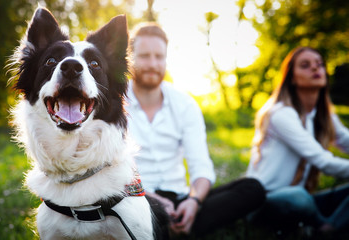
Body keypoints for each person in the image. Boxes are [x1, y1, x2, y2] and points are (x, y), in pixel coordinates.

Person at [125, 22, 266, 237]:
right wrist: (152, 198)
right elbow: (112, 173)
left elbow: (201, 168)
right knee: (131, 212)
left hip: (180, 199)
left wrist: (194, 201)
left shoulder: (185, 105)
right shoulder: (113, 104)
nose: (153, 63)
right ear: (130, 57)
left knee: (252, 188)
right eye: (144, 56)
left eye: (159, 56)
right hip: (135, 198)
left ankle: (180, 222)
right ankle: (167, 228)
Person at [246, 46, 349, 233]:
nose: (316, 69)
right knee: (299, 198)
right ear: (291, 78)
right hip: (265, 202)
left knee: (304, 198)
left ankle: (328, 227)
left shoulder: (323, 115)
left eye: (320, 64)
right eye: (305, 65)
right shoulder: (281, 114)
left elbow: (346, 140)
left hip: (304, 199)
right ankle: (325, 227)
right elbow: (323, 162)